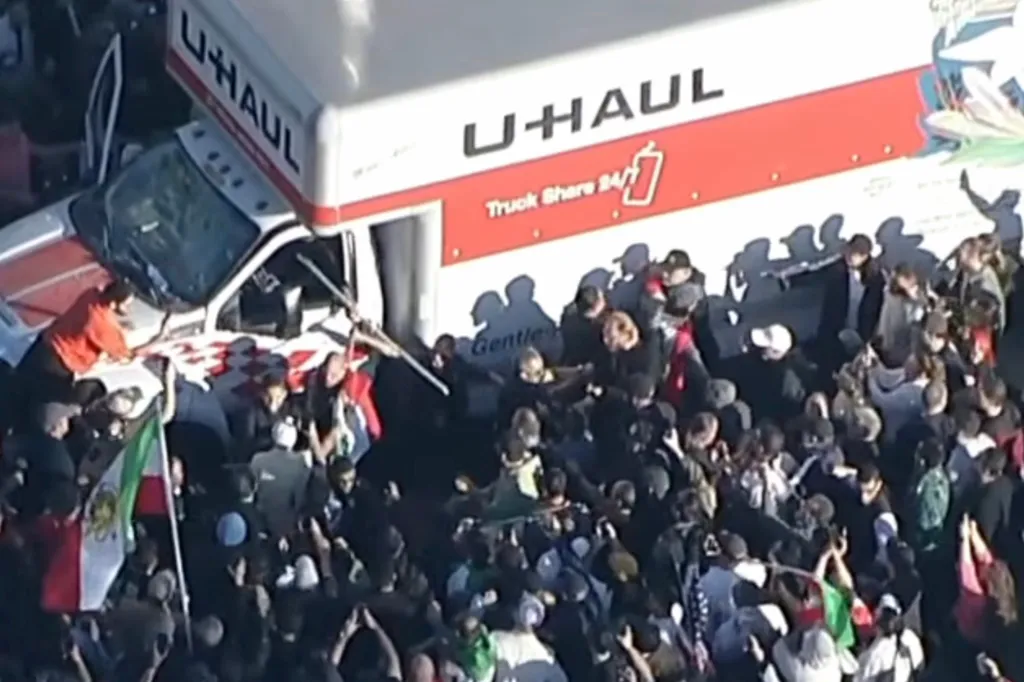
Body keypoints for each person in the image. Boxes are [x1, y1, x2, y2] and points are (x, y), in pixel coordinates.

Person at [18, 281, 137, 407]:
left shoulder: (90, 295)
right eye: (126, 305)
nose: (130, 309)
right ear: (113, 304)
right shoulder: (102, 324)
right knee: (33, 403)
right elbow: (124, 354)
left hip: (43, 345)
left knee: (16, 386)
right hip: (58, 364)